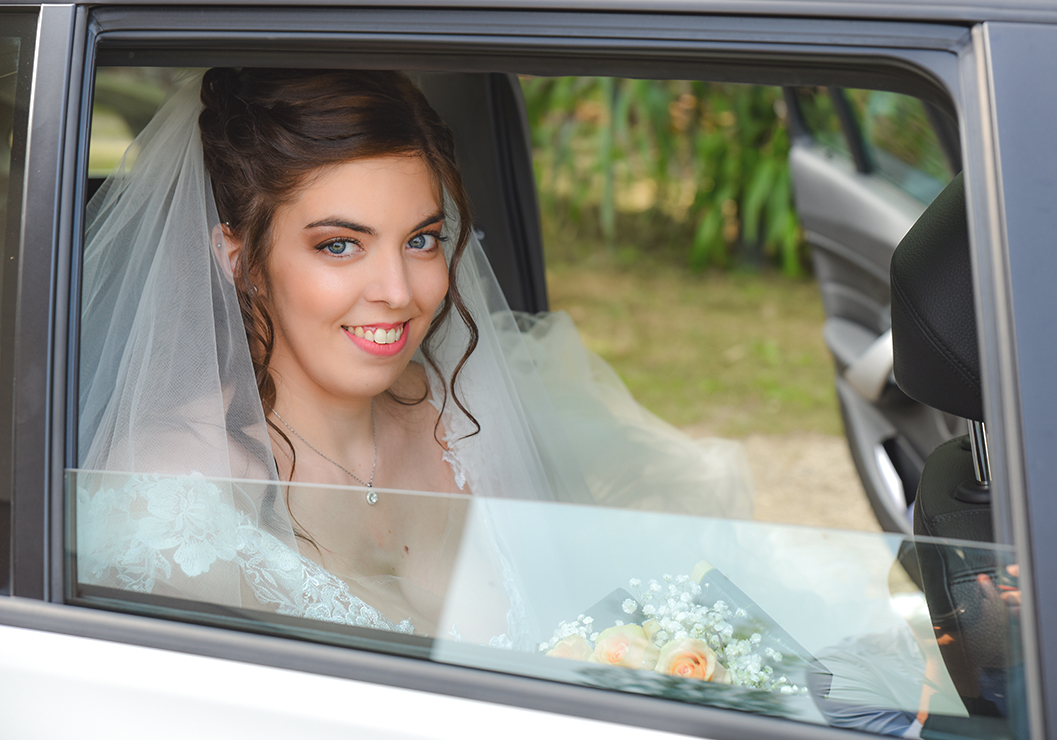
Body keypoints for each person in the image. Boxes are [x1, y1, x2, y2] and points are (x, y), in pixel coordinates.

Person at [76, 69, 753, 645]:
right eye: (339, 245)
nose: (398, 293)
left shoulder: (465, 418)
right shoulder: (170, 495)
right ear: (242, 261)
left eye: (422, 241)